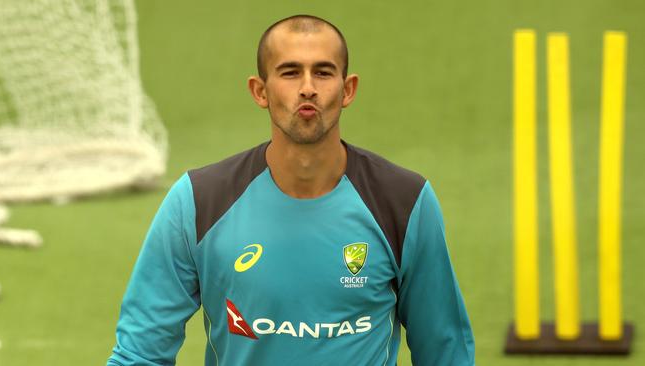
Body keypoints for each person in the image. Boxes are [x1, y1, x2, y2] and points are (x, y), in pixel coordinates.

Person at [108, 14, 475, 366]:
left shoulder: (404, 202)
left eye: (323, 72)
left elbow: (445, 350)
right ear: (260, 91)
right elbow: (140, 354)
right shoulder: (199, 202)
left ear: (348, 90)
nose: (308, 88)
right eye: (290, 72)